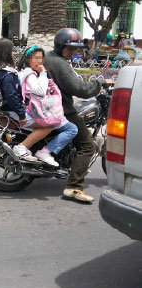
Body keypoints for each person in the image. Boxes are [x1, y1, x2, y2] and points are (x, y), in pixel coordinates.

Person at [44, 28, 107, 203]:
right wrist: (97, 82)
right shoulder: (60, 64)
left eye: (76, 49)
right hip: (62, 110)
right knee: (88, 146)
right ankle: (74, 187)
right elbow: (80, 89)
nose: (73, 52)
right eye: (70, 48)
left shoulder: (48, 57)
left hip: (45, 108)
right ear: (60, 46)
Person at [16, 46, 78, 167]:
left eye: (41, 58)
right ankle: (44, 151)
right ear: (27, 59)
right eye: (35, 58)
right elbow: (40, 91)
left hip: (33, 110)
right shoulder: (30, 75)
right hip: (33, 113)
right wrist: (43, 74)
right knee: (71, 129)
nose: (39, 61)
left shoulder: (26, 72)